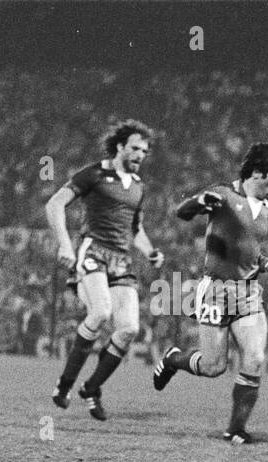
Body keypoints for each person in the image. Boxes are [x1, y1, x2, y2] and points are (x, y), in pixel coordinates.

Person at [152, 143, 268, 444]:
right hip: (214, 291)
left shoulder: (266, 210)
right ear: (256, 173)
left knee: (254, 358)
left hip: (248, 293)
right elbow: (182, 212)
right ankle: (174, 359)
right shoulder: (224, 196)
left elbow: (250, 255)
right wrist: (199, 200)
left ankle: (235, 428)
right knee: (214, 367)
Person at [46, 120, 165, 420]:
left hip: (121, 259)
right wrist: (64, 244)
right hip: (92, 250)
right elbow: (55, 204)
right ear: (121, 147)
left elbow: (135, 229)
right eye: (136, 148)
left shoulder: (138, 187)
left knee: (129, 329)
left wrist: (150, 251)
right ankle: (64, 385)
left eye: (145, 151)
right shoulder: (94, 173)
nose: (141, 155)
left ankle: (92, 388)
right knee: (99, 312)